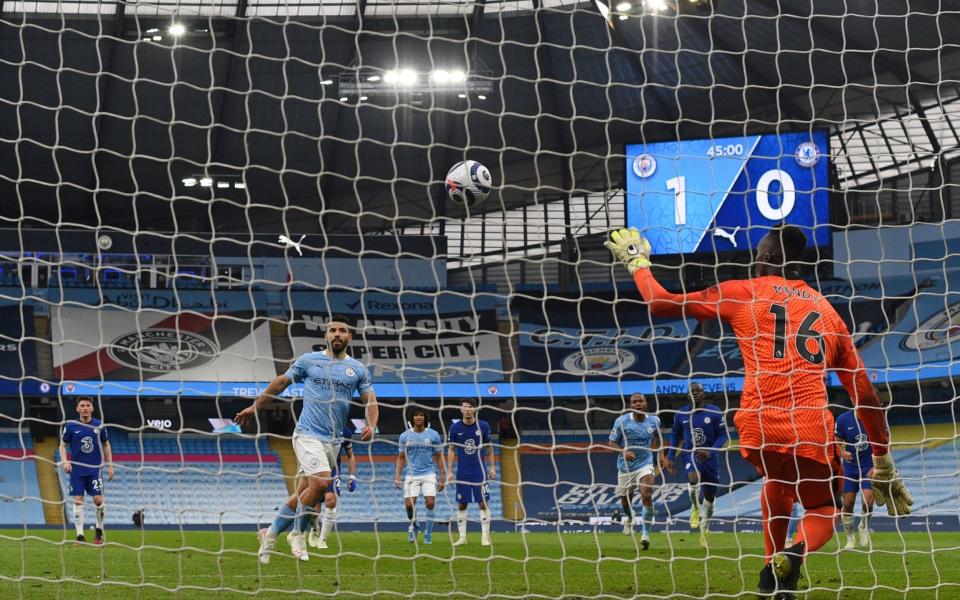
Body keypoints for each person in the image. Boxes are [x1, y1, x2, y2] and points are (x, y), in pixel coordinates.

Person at [606, 224, 912, 596]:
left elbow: (660, 302)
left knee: (779, 485)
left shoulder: (743, 292)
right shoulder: (828, 314)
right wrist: (882, 457)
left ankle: (771, 574)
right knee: (822, 509)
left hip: (757, 426)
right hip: (810, 428)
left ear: (766, 259)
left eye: (756, 257)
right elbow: (864, 394)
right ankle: (795, 554)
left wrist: (638, 262)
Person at [235, 315, 377, 563]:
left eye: (342, 330)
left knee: (303, 492)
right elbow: (280, 382)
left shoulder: (358, 370)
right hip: (307, 434)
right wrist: (255, 406)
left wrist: (371, 424)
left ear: (349, 336)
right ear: (326, 335)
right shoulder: (309, 361)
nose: (336, 334)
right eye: (332, 330)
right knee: (321, 485)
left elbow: (371, 401)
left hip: (333, 441)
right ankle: (297, 534)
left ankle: (270, 533)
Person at [663, 381, 727, 548]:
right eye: (693, 391)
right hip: (690, 454)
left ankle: (704, 530)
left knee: (710, 498)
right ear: (688, 395)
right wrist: (670, 456)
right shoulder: (681, 414)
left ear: (703, 394)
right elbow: (675, 434)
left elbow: (723, 436)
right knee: (693, 478)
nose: (696, 393)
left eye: (699, 390)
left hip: (710, 459)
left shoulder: (714, 412)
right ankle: (694, 508)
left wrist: (711, 452)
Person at [607, 392, 664, 550]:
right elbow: (611, 442)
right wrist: (623, 451)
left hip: (645, 463)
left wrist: (660, 454)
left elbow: (658, 438)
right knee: (625, 501)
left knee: (646, 494)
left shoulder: (654, 420)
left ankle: (645, 534)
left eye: (641, 401)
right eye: (634, 402)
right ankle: (630, 517)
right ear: (631, 406)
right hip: (625, 467)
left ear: (646, 403)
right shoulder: (622, 421)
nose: (638, 404)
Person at [60, 396, 114, 544]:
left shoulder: (99, 425)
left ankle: (99, 529)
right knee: (78, 500)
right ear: (77, 408)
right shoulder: (71, 425)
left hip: (95, 470)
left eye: (87, 405)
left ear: (92, 408)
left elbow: (106, 444)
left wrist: (110, 465)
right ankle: (80, 535)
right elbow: (62, 445)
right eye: (82, 405)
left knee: (98, 500)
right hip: (77, 470)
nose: (85, 408)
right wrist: (65, 462)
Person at [447, 398, 495, 546]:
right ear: (461, 409)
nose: (467, 409)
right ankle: (462, 538)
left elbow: (489, 447)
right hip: (462, 472)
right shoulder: (455, 428)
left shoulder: (483, 426)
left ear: (475, 409)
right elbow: (451, 449)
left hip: (479, 472)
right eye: (465, 407)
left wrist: (492, 467)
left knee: (483, 503)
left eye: (470, 407)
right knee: (462, 504)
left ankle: (485, 537)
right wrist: (449, 471)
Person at [395, 407, 446, 544]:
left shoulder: (433, 435)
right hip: (411, 475)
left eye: (422, 415)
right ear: (412, 418)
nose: (419, 417)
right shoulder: (404, 436)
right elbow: (401, 458)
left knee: (430, 502)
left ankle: (428, 534)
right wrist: (397, 476)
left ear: (425, 418)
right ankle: (414, 526)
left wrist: (442, 477)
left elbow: (440, 456)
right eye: (416, 415)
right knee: (409, 505)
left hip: (429, 474)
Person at [306, 423, 357, 549]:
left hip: (334, 470)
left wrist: (352, 477)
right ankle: (315, 529)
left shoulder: (345, 431)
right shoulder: (317, 425)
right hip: (316, 468)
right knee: (313, 510)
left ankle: (323, 540)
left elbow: (350, 455)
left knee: (331, 500)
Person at [835, 409, 875, 549]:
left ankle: (863, 526)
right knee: (848, 502)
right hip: (850, 467)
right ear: (853, 399)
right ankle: (850, 538)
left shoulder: (876, 417)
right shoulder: (843, 419)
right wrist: (842, 452)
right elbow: (836, 442)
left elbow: (886, 444)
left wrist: (878, 466)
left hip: (869, 467)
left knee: (868, 501)